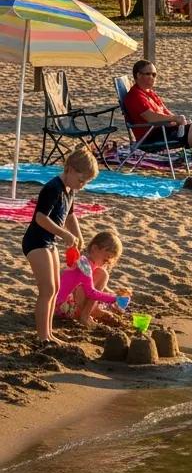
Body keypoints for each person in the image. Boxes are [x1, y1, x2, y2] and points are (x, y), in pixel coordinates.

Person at [21, 147, 96, 345]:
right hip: (36, 241)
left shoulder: (70, 189)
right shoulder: (52, 188)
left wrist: (78, 238)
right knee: (46, 290)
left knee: (55, 289)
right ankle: (42, 337)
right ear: (70, 169)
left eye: (85, 183)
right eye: (81, 180)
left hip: (50, 241)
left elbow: (70, 216)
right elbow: (40, 218)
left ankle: (49, 333)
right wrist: (64, 234)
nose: (81, 186)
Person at [123, 59, 192, 184]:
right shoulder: (135, 96)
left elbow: (165, 112)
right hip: (152, 136)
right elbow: (151, 117)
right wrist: (174, 119)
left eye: (154, 74)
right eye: (148, 74)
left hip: (165, 130)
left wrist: (179, 120)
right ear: (138, 75)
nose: (152, 77)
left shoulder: (150, 93)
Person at [55, 229, 128, 327]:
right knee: (103, 274)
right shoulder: (85, 265)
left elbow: (100, 288)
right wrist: (115, 299)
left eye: (108, 262)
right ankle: (85, 316)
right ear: (94, 249)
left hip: (58, 305)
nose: (105, 263)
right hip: (63, 307)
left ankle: (95, 313)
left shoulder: (86, 261)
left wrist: (115, 294)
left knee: (100, 279)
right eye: (105, 259)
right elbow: (91, 292)